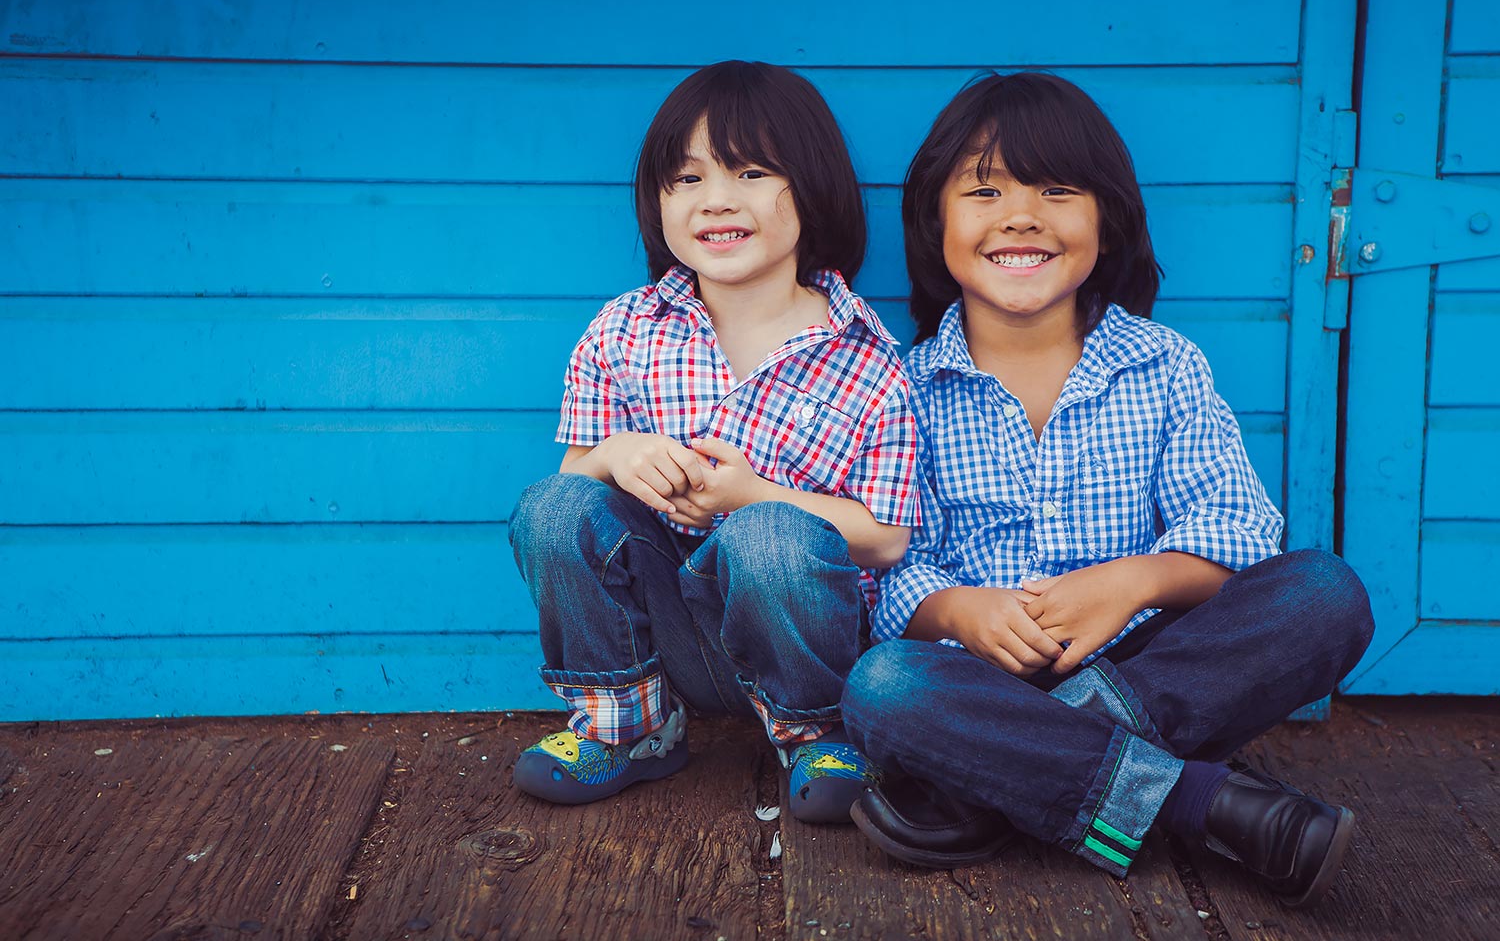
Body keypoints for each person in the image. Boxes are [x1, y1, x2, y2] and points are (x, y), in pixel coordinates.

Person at [841, 72, 1374, 907]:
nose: (1021, 215)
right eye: (985, 190)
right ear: (934, 221)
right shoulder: (901, 388)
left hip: (1152, 663)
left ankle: (995, 786)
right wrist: (964, 613)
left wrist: (1131, 583)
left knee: (1323, 591)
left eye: (1057, 189)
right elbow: (892, 568)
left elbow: (1236, 531)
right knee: (884, 687)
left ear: (1106, 218)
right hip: (981, 681)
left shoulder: (1165, 366)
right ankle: (1200, 800)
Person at [508, 61, 919, 823]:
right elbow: (574, 483)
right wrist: (616, 455)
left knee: (767, 533)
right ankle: (630, 726)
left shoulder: (867, 360)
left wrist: (754, 497)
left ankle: (815, 734)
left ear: (814, 186)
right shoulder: (624, 331)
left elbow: (888, 539)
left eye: (752, 171)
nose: (717, 200)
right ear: (657, 202)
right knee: (552, 505)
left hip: (800, 643)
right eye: (687, 179)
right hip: (665, 638)